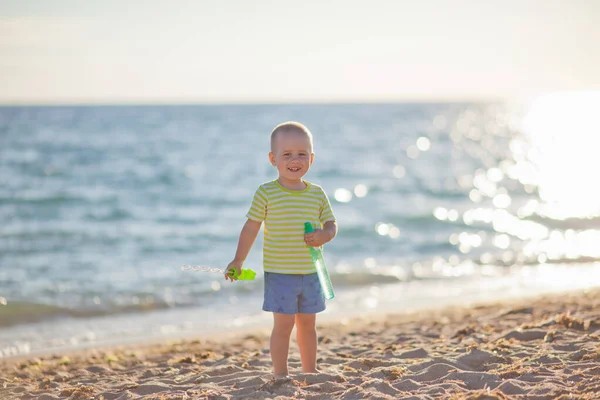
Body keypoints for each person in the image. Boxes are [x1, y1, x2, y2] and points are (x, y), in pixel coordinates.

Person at [224, 121, 337, 377]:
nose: (295, 160)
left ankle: (310, 370)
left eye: (302, 154)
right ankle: (280, 374)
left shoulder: (317, 194)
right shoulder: (266, 193)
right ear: (273, 159)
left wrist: (324, 235)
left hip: (310, 271)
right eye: (287, 154)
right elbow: (251, 227)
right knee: (283, 326)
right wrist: (238, 260)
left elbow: (331, 223)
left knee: (308, 325)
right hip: (280, 273)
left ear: (312, 158)